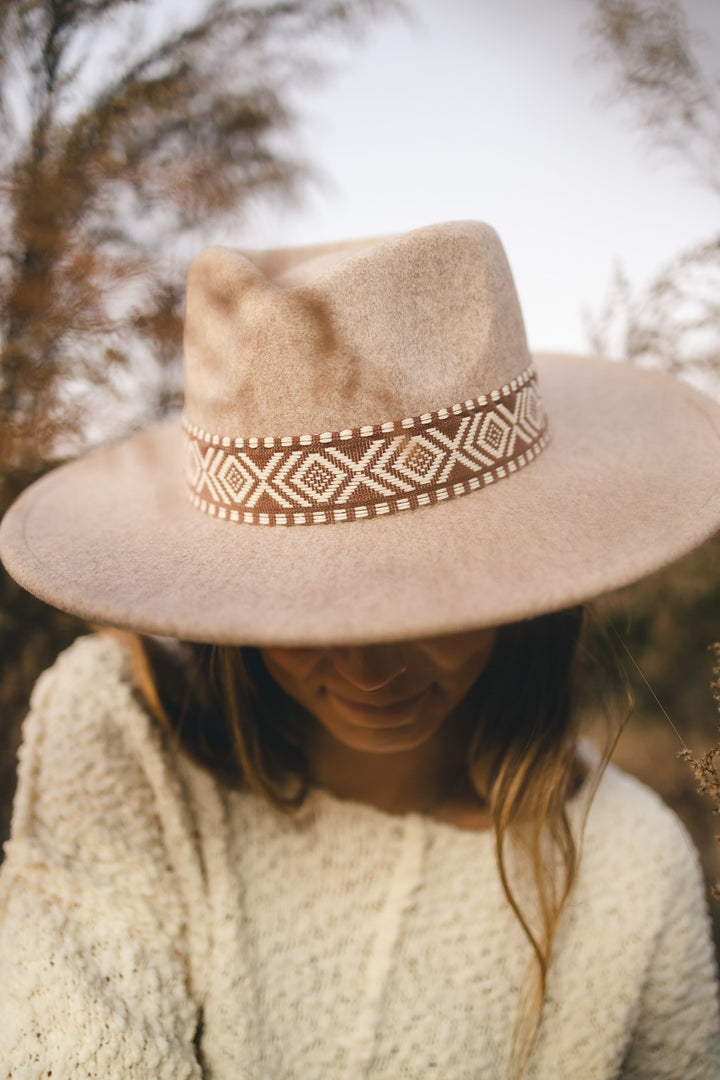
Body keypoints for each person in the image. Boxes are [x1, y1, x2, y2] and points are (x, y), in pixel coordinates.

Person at [0, 220, 719, 1079]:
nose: (369, 672)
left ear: (526, 588)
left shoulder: (633, 870)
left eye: (429, 603)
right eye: (307, 614)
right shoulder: (123, 738)